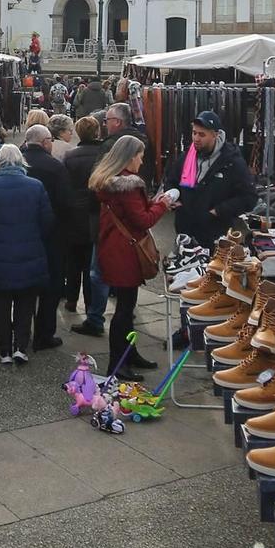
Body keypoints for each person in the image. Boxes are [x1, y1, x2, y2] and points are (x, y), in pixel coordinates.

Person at [92, 135, 173, 381]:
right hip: (125, 253)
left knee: (127, 308)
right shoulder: (129, 185)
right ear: (129, 158)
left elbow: (132, 213)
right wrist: (163, 205)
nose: (142, 160)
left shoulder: (111, 183)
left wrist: (152, 203)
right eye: (140, 155)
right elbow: (143, 221)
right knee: (124, 311)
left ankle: (129, 354)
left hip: (114, 248)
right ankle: (118, 364)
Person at [0, 144, 54, 365]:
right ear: (21, 162)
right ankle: (21, 346)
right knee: (25, 303)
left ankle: (4, 350)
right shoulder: (36, 186)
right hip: (30, 253)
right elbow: (47, 222)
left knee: (0, 304)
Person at [162, 110, 258, 250]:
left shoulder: (231, 162)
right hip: (185, 233)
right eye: (194, 133)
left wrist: (218, 211)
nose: (196, 138)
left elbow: (249, 197)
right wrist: (172, 197)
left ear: (215, 135)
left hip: (215, 236)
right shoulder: (188, 156)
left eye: (202, 134)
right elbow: (171, 180)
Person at [21, 123, 73, 350]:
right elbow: (65, 202)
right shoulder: (55, 167)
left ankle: (21, 333)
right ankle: (44, 333)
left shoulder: (17, 163)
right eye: (50, 140)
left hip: (23, 233)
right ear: (44, 142)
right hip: (52, 235)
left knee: (25, 286)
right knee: (51, 286)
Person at [62, 116, 108, 335]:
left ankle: (71, 299)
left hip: (73, 213)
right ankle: (91, 306)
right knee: (92, 262)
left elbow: (65, 185)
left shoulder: (70, 156)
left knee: (73, 260)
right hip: (95, 213)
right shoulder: (103, 156)